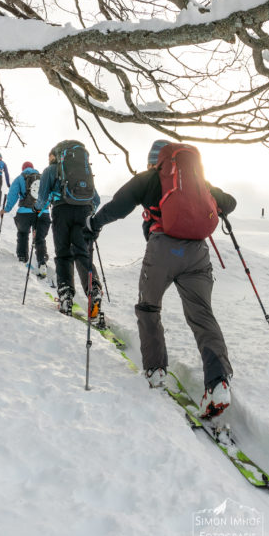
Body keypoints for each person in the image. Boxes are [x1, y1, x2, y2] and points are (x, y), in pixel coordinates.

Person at [85, 139, 237, 419]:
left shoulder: (149, 178)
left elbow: (119, 206)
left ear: (155, 160)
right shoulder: (198, 181)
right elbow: (230, 202)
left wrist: (94, 224)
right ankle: (218, 383)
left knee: (149, 307)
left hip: (163, 249)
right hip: (198, 253)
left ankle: (155, 370)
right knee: (203, 317)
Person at [35, 142, 103, 319]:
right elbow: (96, 199)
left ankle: (65, 294)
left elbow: (42, 197)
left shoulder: (51, 170)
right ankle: (93, 289)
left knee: (64, 254)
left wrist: (37, 209)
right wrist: (89, 213)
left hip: (61, 211)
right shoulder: (84, 170)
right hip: (84, 212)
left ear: (56, 154)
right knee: (83, 253)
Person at [1, 161, 50, 278]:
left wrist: (6, 209)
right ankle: (42, 263)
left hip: (24, 213)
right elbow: (50, 194)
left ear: (23, 169)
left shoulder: (19, 178)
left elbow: (13, 195)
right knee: (40, 238)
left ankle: (22, 258)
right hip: (42, 212)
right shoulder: (43, 178)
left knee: (23, 233)